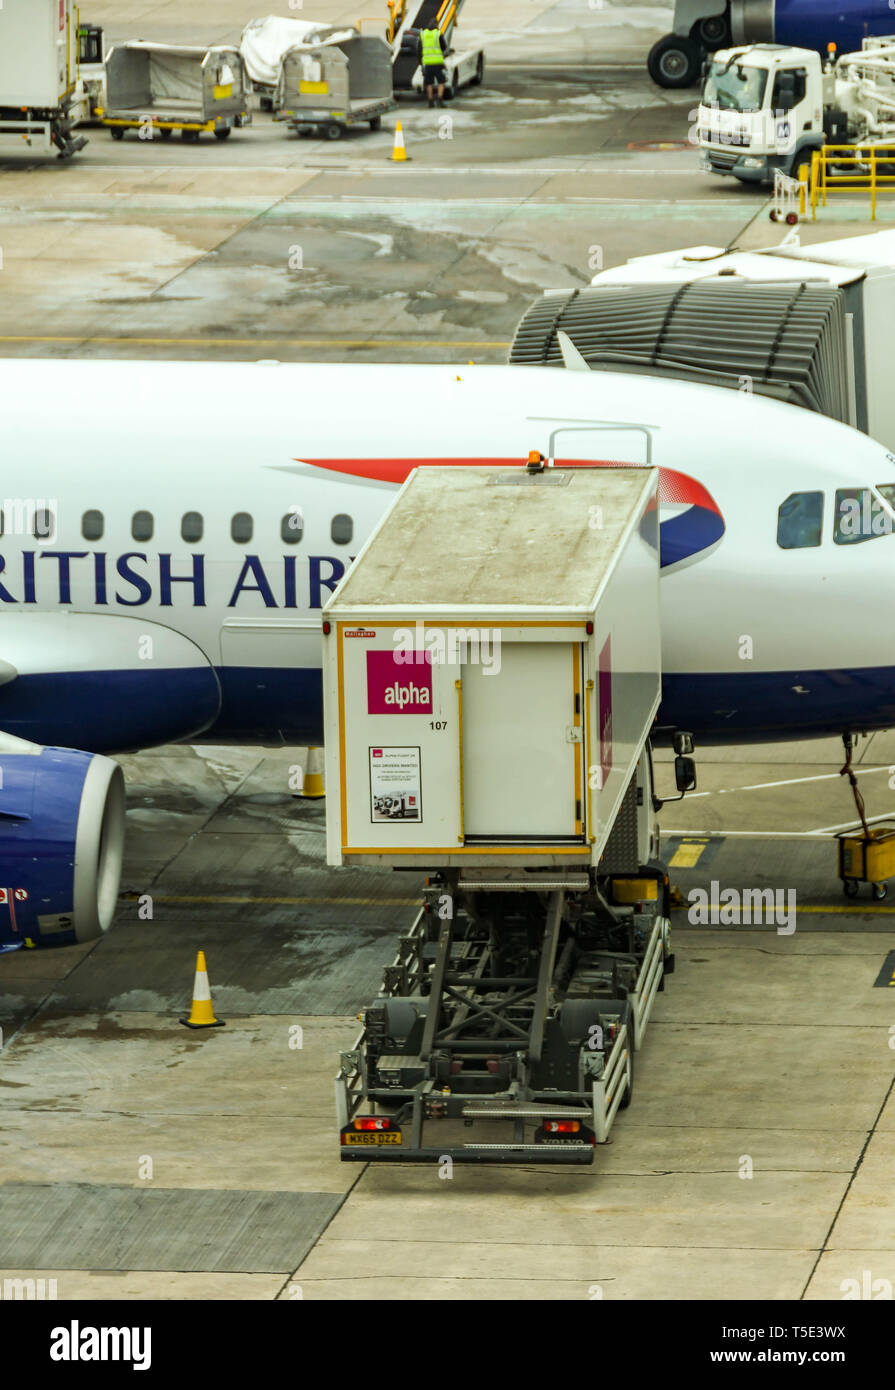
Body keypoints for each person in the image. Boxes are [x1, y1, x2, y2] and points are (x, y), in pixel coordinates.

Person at [420, 25, 447, 108]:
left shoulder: (423, 34)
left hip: (427, 63)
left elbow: (419, 48)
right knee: (441, 81)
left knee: (429, 83)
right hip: (437, 62)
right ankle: (440, 99)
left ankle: (430, 101)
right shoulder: (438, 34)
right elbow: (444, 47)